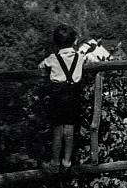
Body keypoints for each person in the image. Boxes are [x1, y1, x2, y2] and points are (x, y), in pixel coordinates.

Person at [38, 24, 98, 171]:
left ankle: (54, 162)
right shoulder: (79, 57)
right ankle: (67, 161)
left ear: (55, 43)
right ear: (74, 41)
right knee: (70, 129)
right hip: (73, 96)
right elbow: (91, 56)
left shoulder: (53, 58)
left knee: (57, 129)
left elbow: (41, 66)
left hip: (57, 96)